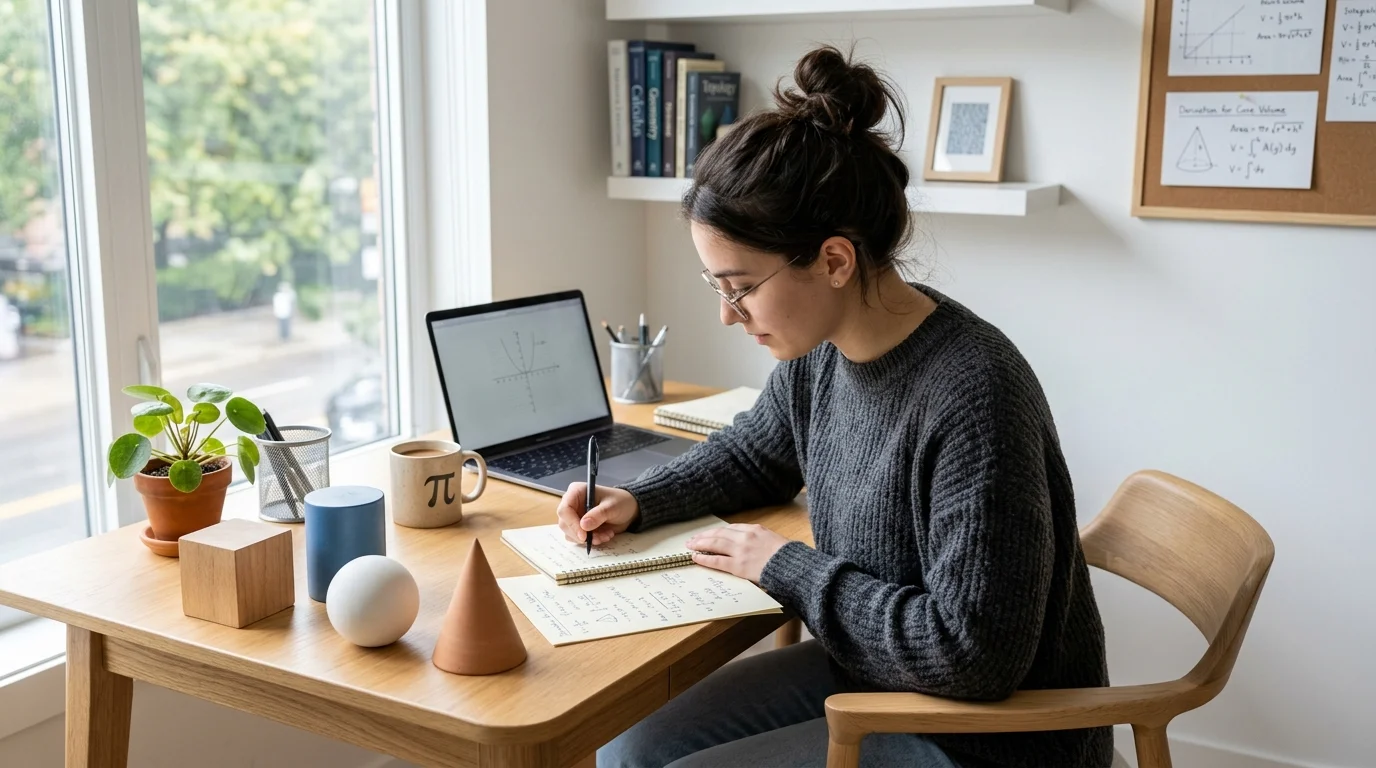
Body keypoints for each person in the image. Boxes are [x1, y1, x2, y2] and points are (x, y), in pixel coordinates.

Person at [557, 45, 1113, 768]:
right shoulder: (821, 351)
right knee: (627, 751)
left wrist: (788, 567)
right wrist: (636, 500)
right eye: (716, 286)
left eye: (741, 287)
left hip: (991, 738)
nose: (730, 315)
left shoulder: (976, 395)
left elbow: (974, 658)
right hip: (876, 674)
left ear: (834, 261)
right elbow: (758, 453)